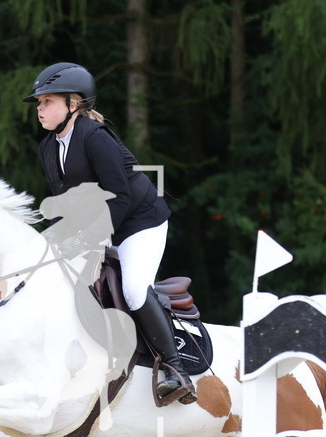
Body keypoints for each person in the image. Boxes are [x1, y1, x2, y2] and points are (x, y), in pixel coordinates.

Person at [23, 62, 197, 406]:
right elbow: (71, 203)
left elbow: (120, 198)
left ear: (73, 103)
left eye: (47, 101)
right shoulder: (48, 146)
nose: (40, 108)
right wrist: (48, 240)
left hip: (140, 221)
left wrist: (86, 238)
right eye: (39, 103)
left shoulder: (94, 137)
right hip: (102, 220)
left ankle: (176, 371)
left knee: (133, 289)